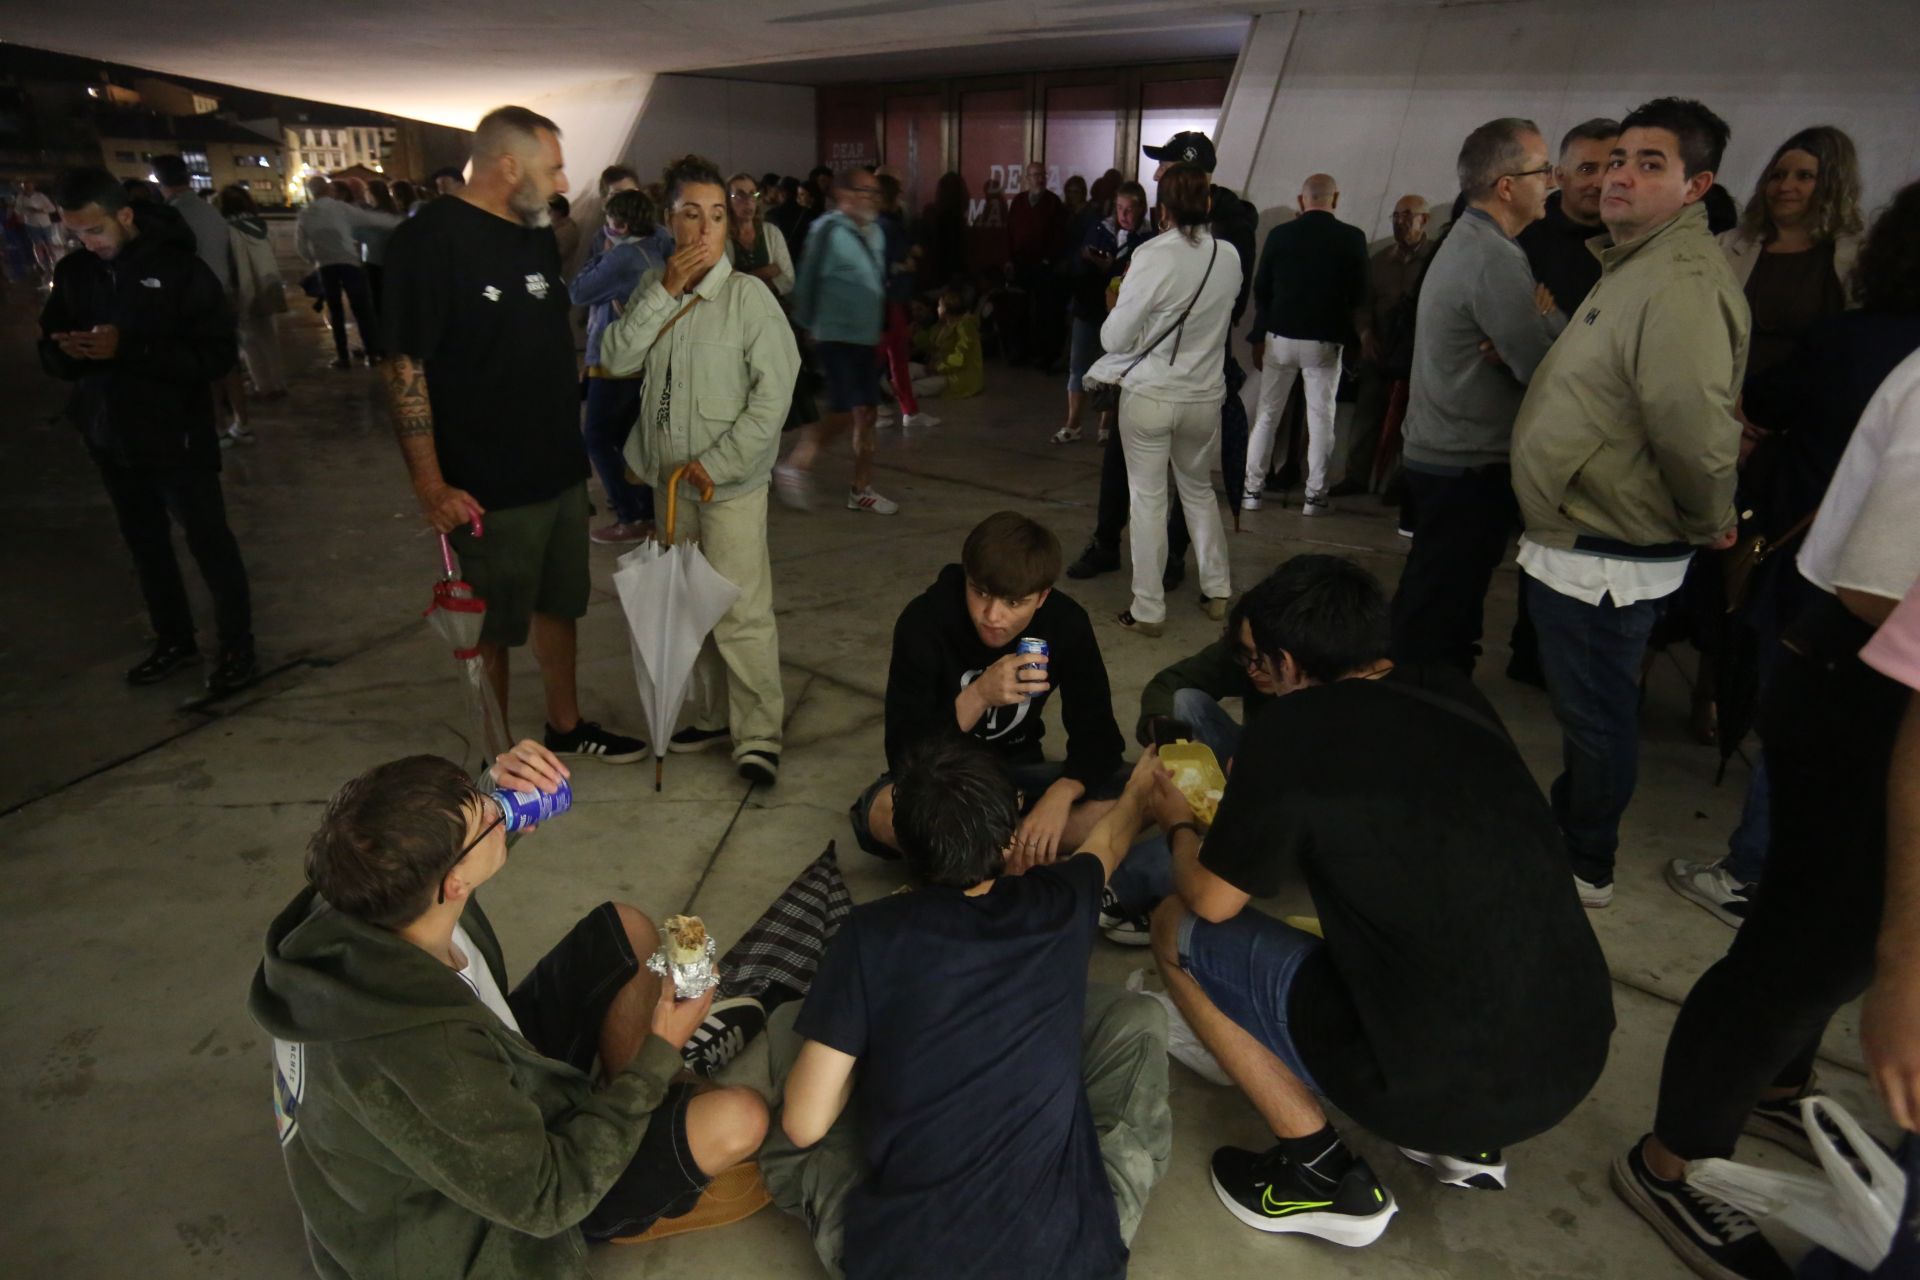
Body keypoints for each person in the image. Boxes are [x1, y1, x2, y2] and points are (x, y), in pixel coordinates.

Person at [1147, 555, 1614, 1246]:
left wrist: (1177, 821)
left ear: (1285, 662)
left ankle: (1316, 1174)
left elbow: (1211, 901)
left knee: (1172, 927)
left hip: (1428, 1079)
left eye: (1259, 665)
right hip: (1571, 1054)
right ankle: (1466, 1144)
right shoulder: (1451, 691)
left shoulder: (1292, 729)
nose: (1256, 678)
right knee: (1414, 921)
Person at [1614, 347, 1920, 1280]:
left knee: (1835, 937)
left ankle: (1778, 1082)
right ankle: (1673, 1160)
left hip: (1869, 669)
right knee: (1809, 944)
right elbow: (1875, 585)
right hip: (1863, 683)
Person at [249, 739, 769, 1276]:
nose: (500, 807)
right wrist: (657, 1053)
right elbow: (543, 1203)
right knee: (741, 1119)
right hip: (486, 1221)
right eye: (488, 817)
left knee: (626, 928)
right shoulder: (424, 1052)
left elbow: (430, 857)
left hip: (489, 1091)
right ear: (454, 884)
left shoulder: (358, 896)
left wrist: (491, 799)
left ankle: (647, 1110)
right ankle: (640, 1171)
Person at [765, 738, 1172, 1278]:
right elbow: (1111, 840)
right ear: (1012, 832)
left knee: (787, 1027)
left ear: (906, 845)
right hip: (1070, 1262)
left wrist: (872, 1056)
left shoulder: (871, 934)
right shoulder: (1059, 901)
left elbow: (805, 1123)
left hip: (905, 1265)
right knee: (1139, 1016)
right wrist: (1141, 789)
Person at [1510, 97, 1747, 908]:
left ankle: (1585, 863)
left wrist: (1710, 515)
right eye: (1618, 160)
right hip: (1589, 533)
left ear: (1696, 186)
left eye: (1652, 164)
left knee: (1600, 717)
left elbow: (1692, 425)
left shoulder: (1677, 282)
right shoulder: (1638, 262)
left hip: (1607, 548)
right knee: (1594, 711)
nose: (1621, 177)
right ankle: (1574, 834)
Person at [1667, 179, 1920, 927]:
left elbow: (1766, 404)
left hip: (1832, 568)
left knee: (1800, 726)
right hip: (1884, 594)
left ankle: (1753, 872)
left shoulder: (1856, 340)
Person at [382, 105, 646, 765]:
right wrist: (430, 484)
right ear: (508, 165)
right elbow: (405, 365)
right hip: (485, 482)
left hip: (557, 465)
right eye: (553, 167)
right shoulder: (431, 240)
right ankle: (496, 754)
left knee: (561, 605)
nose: (562, 182)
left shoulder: (531, 233)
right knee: (492, 627)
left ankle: (566, 724)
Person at [599, 153, 799, 786]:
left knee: (740, 610)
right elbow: (618, 358)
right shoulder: (651, 292)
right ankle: (714, 716)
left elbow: (774, 397)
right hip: (668, 486)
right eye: (692, 215)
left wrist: (718, 464)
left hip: (727, 487)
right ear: (670, 221)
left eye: (718, 215)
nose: (707, 229)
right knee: (686, 605)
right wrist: (663, 294)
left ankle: (759, 733)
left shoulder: (749, 299)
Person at [38, 167, 254, 694]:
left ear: (125, 216)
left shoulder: (180, 271)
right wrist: (65, 352)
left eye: (95, 231)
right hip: (111, 436)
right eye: (76, 233)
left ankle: (238, 648)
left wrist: (129, 349)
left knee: (209, 544)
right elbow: (49, 340)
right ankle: (174, 639)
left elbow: (216, 355)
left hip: (176, 437)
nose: (87, 243)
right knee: (145, 546)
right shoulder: (75, 273)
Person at [849, 511, 1128, 866]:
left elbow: (1099, 737)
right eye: (980, 593)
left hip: (1018, 775)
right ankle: (1015, 853)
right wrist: (978, 695)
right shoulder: (924, 621)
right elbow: (905, 755)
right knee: (881, 810)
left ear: (1041, 597)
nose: (992, 616)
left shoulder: (1065, 623)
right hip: (941, 781)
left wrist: (1063, 792)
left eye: (1014, 603)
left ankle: (975, 857)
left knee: (1138, 789)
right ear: (966, 577)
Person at [1390, 119, 1564, 675]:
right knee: (1441, 608)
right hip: (1467, 461)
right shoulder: (1493, 256)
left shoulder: (1469, 239)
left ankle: (1422, 694)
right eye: (1543, 170)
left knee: (1436, 596)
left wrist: (1541, 320)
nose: (1553, 181)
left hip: (1447, 452)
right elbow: (1541, 364)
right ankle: (1422, 707)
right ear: (1507, 185)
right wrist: (1549, 319)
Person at [1066, 132, 1257, 589]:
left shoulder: (1230, 229)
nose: (1155, 175)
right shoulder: (1187, 232)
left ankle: (1162, 572)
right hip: (1154, 371)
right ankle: (1116, 545)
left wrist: (1139, 304)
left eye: (1165, 166)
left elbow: (1227, 305)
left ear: (1189, 174)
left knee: (1169, 486)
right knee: (1141, 467)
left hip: (1186, 370)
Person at [1092, 162, 1237, 638]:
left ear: (1163, 210)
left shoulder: (1153, 254)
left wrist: (1116, 307)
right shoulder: (1229, 256)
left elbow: (1115, 339)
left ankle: (1149, 609)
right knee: (1198, 491)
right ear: (1209, 203)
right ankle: (1217, 589)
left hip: (1152, 396)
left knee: (1148, 499)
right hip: (1204, 397)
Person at [1241, 174, 1369, 516]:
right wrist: (1360, 338)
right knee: (1321, 419)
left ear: (1302, 200)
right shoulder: (1352, 238)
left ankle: (1252, 491)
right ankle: (1314, 496)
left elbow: (1262, 289)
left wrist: (1259, 335)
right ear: (1335, 199)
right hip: (1324, 342)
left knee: (1267, 416)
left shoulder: (1280, 236)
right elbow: (1360, 295)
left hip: (1280, 338)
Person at [781, 167, 897, 515]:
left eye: (876, 192)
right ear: (844, 196)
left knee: (868, 414)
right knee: (846, 410)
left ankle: (861, 489)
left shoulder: (877, 231)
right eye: (865, 191)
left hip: (865, 337)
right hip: (835, 335)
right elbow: (807, 279)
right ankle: (796, 464)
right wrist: (804, 326)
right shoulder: (826, 230)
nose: (873, 199)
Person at [1718, 125, 1864, 381]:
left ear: (1833, 185)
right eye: (1777, 175)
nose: (1785, 186)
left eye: (1804, 176)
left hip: (1809, 403)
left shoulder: (1859, 255)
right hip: (1725, 393)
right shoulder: (1725, 246)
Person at [569, 187, 667, 545]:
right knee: (628, 440)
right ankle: (646, 513)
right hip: (642, 361)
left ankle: (630, 515)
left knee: (596, 437)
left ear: (620, 223)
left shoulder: (621, 257)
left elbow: (578, 293)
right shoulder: (656, 251)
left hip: (615, 362)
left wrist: (600, 256)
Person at [1336, 194, 1431, 497]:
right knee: (1367, 413)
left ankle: (1401, 482)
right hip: (1382, 346)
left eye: (1407, 215)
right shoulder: (1379, 261)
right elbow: (1362, 304)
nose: (1399, 222)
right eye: (1395, 215)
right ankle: (1356, 477)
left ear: (1423, 220)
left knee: (1414, 419)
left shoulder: (1434, 259)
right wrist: (1365, 335)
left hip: (1419, 352)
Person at [1055, 180, 1150, 446]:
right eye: (1119, 208)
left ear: (1142, 209)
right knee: (1079, 366)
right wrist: (1087, 259)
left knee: (1113, 370)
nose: (1123, 215)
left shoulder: (1147, 239)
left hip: (1121, 313)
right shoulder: (1100, 229)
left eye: (1129, 209)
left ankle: (1105, 425)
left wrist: (1112, 266)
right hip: (1088, 307)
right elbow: (1077, 263)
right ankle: (1072, 422)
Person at [1517, 118, 1619, 314]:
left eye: (1613, 167)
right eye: (1587, 169)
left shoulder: (1636, 238)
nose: (1600, 183)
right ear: (1560, 177)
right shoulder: (1522, 236)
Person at [298, 174, 396, 369]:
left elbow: (301, 244)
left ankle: (343, 357)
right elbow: (370, 219)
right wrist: (397, 221)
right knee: (362, 309)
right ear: (327, 189)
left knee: (336, 311)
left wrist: (314, 258)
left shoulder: (305, 213)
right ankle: (372, 352)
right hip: (349, 262)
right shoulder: (339, 208)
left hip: (326, 265)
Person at [872, 173, 938, 429]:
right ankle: (873, 409)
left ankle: (908, 410)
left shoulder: (889, 223)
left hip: (894, 300)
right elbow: (890, 261)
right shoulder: (883, 225)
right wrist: (902, 263)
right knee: (881, 358)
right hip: (885, 302)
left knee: (897, 357)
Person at [220, 185, 289, 424]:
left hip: (246, 288)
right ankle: (278, 383)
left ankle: (264, 387)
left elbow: (230, 263)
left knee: (250, 341)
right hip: (269, 286)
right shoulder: (261, 226)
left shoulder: (229, 230)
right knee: (269, 337)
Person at [1006, 160, 1068, 367]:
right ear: (1027, 178)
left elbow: (1059, 235)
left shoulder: (1053, 202)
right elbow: (1009, 232)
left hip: (1043, 266)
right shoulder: (1019, 201)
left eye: (1042, 174)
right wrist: (1009, 258)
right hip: (1021, 263)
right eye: (1034, 175)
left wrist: (1048, 258)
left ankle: (1044, 355)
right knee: (1018, 310)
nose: (1038, 179)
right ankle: (1020, 352)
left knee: (1045, 312)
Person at [725, 172, 795, 299]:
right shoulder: (721, 237)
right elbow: (724, 284)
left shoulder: (771, 232)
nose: (748, 201)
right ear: (727, 201)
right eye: (740, 195)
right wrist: (764, 273)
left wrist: (741, 277)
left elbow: (788, 279)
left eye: (752, 194)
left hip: (771, 307)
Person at [18, 178, 60, 277]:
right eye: (25, 186)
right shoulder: (21, 198)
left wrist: (40, 210)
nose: (28, 188)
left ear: (33, 186)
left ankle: (54, 265)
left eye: (29, 185)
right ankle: (43, 267)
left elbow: (52, 208)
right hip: (31, 224)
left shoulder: (40, 196)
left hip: (45, 223)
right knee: (37, 245)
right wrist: (26, 211)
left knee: (49, 244)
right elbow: (18, 210)